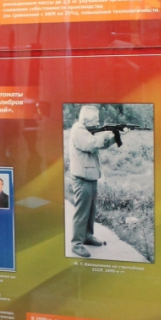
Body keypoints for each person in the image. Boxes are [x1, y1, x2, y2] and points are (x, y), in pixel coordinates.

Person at [68, 105, 116, 257]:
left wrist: (115, 136)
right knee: (82, 212)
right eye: (95, 120)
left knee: (90, 210)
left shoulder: (87, 130)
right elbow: (92, 144)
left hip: (91, 174)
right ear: (86, 120)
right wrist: (106, 133)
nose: (97, 123)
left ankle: (87, 236)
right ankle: (76, 244)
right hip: (82, 177)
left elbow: (102, 145)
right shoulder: (78, 129)